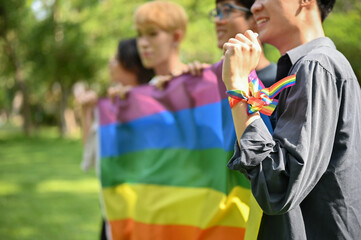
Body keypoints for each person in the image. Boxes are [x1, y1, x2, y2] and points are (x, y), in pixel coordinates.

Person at [99, 1, 264, 239]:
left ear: (176, 36)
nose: (143, 43)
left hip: (197, 219)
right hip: (153, 218)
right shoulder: (139, 98)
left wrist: (206, 82)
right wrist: (120, 112)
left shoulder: (202, 82)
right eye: (140, 35)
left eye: (152, 34)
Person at [222, 0, 361, 239]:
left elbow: (277, 188)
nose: (255, 7)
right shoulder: (314, 66)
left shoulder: (315, 66)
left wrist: (237, 87)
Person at [75, 38, 154, 240]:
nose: (111, 62)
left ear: (132, 66)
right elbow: (93, 155)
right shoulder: (112, 106)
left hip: (144, 211)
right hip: (114, 211)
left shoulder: (154, 105)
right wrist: (87, 113)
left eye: (116, 58)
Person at [211, 0, 276, 88]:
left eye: (227, 11)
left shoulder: (279, 83)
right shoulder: (214, 82)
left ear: (255, 19)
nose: (217, 20)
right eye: (218, 13)